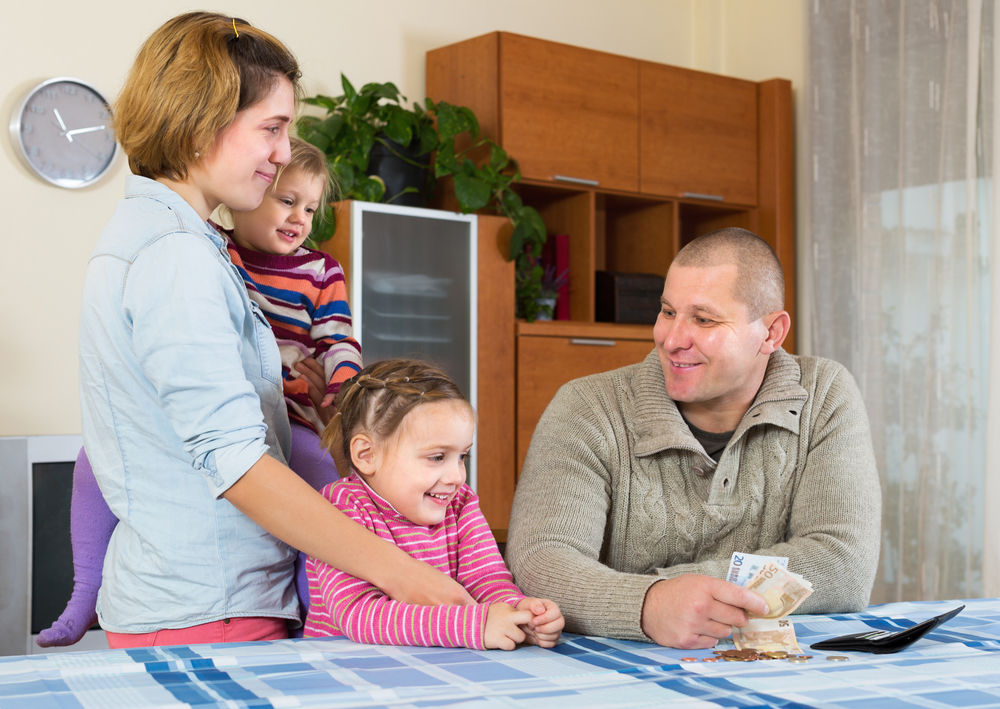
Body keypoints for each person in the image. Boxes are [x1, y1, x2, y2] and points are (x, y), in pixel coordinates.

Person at [75, 11, 471, 649]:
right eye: (273, 128)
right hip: (211, 608)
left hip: (210, 603)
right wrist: (403, 574)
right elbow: (234, 462)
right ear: (204, 122)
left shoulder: (185, 244)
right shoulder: (173, 255)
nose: (285, 153)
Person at [39, 138, 359, 647]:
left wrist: (344, 388)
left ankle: (320, 613)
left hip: (287, 420)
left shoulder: (320, 272)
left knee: (325, 482)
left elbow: (339, 341)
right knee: (90, 461)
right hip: (213, 426)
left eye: (311, 208)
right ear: (247, 196)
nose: (300, 217)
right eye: (287, 200)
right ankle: (83, 596)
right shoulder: (209, 249)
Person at [506, 227, 882, 650]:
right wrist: (649, 606)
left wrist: (672, 589)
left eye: (703, 319)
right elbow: (540, 560)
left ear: (771, 333)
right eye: (668, 312)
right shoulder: (586, 406)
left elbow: (842, 563)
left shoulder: (825, 393)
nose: (671, 339)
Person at [304, 359, 564, 650]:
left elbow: (486, 579)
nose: (457, 476)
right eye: (437, 457)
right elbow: (361, 615)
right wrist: (473, 625)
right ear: (366, 455)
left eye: (462, 456)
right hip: (346, 670)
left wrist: (519, 612)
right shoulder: (340, 508)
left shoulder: (461, 503)